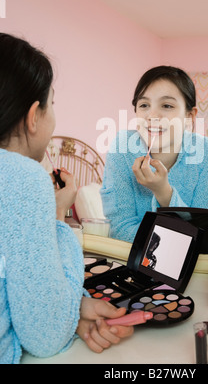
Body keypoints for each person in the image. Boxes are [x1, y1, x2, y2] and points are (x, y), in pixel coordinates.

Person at [0, 33, 133, 364]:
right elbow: (47, 336)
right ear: (34, 116)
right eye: (52, 104)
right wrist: (57, 216)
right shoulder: (23, 179)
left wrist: (74, 306)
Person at [101, 65, 208, 243]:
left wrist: (163, 192)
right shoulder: (122, 148)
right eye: (144, 105)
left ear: (189, 116)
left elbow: (205, 236)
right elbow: (119, 230)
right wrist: (179, 239)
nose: (152, 116)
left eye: (167, 105)